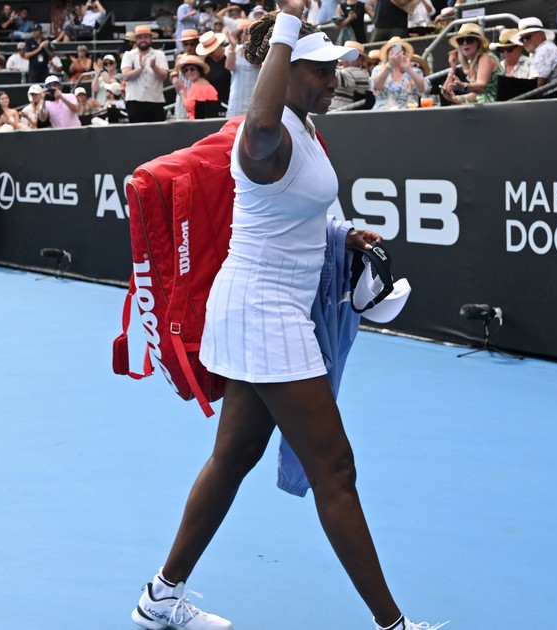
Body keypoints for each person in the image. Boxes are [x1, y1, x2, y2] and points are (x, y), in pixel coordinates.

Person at [132, 4, 444, 630]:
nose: (335, 81)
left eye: (336, 71)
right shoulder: (264, 139)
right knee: (335, 469)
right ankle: (394, 625)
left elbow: (291, 212)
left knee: (233, 457)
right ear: (287, 71)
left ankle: (158, 598)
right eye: (321, 71)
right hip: (263, 313)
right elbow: (260, 121)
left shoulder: (302, 129)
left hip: (263, 310)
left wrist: (341, 235)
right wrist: (285, 28)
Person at [121, 25, 170, 123]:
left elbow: (164, 75)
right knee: (136, 130)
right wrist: (139, 69)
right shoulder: (129, 55)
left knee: (157, 130)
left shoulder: (159, 54)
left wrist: (154, 67)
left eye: (146, 37)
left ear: (151, 38)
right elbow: (126, 75)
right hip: (135, 101)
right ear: (136, 40)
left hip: (155, 100)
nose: (143, 40)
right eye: (140, 37)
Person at [440, 22, 500, 104]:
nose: (465, 43)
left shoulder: (485, 57)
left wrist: (462, 86)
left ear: (478, 42)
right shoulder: (473, 62)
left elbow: (481, 87)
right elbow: (478, 95)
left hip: (497, 107)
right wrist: (456, 98)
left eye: (469, 40)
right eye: (461, 41)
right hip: (488, 106)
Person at [370, 37, 428, 110]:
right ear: (388, 54)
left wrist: (408, 69)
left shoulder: (414, 71)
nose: (396, 55)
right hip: (382, 110)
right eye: (393, 52)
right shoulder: (378, 69)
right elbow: (376, 86)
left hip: (407, 110)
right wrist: (389, 65)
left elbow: (423, 89)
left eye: (399, 51)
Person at [512, 17, 557, 88]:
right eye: (522, 39)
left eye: (527, 37)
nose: (524, 41)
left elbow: (538, 83)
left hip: (553, 93)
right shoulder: (542, 49)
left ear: (541, 35)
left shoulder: (545, 49)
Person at [224, 19, 258, 117]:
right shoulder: (234, 49)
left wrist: (251, 44)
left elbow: (256, 63)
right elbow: (229, 66)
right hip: (235, 102)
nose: (243, 35)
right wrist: (232, 46)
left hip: (254, 102)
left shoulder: (259, 51)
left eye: (247, 32)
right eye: (241, 32)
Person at [173, 54, 218, 119]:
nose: (189, 72)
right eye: (186, 70)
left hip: (197, 121)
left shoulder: (196, 87)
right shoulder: (209, 86)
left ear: (199, 71)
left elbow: (189, 106)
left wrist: (182, 92)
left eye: (192, 69)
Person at [331, 40, 370, 110]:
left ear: (360, 60)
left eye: (350, 56)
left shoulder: (361, 73)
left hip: (338, 113)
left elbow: (329, 76)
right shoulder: (343, 70)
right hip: (328, 112)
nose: (345, 60)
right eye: (344, 56)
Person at [196, 31, 231, 106]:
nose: (210, 54)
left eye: (211, 51)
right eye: (208, 52)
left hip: (227, 101)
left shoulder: (229, 56)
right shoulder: (206, 60)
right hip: (210, 103)